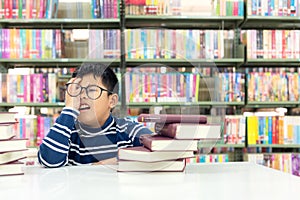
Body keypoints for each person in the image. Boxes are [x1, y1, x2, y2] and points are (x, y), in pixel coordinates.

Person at [38, 63, 153, 167]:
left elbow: (163, 150)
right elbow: (49, 161)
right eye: (76, 90)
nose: (82, 96)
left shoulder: (128, 130)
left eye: (92, 90)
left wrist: (118, 160)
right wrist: (69, 109)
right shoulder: (66, 132)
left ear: (112, 101)